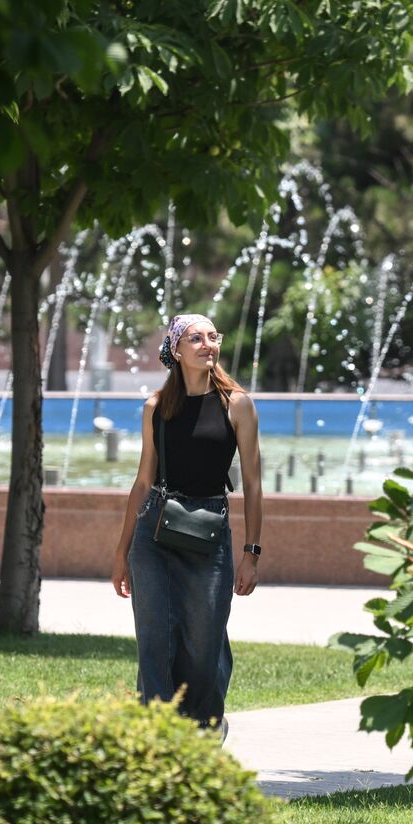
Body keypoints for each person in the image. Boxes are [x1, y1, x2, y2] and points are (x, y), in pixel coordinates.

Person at [111, 314, 263, 740]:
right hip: (154, 530)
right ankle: (157, 731)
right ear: (177, 351)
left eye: (213, 336)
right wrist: (120, 553)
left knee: (205, 638)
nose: (208, 344)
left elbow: (252, 482)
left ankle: (206, 722)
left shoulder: (237, 404)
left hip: (210, 527)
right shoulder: (156, 407)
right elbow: (142, 481)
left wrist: (251, 553)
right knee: (154, 637)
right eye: (196, 338)